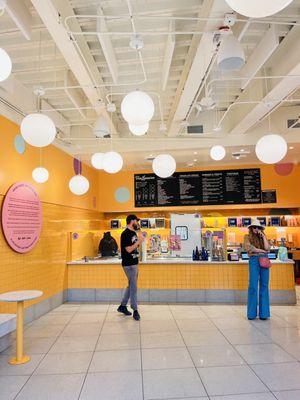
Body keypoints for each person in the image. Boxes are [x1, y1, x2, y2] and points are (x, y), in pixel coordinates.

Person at [117, 214, 144, 321]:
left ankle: (122, 306)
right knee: (133, 287)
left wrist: (139, 238)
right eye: (136, 221)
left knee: (131, 284)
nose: (137, 223)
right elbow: (128, 249)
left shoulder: (133, 232)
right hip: (128, 264)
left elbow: (135, 247)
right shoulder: (125, 234)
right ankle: (135, 310)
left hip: (134, 262)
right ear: (132, 221)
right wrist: (139, 242)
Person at [244, 219, 270, 320]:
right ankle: (251, 314)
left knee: (264, 285)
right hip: (254, 260)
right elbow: (249, 248)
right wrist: (261, 250)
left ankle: (264, 314)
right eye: (254, 227)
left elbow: (267, 248)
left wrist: (263, 236)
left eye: (258, 227)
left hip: (264, 260)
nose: (256, 229)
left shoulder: (263, 237)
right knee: (253, 286)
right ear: (251, 228)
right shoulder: (247, 237)